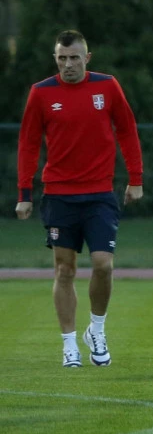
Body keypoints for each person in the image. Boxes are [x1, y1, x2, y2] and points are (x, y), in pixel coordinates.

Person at [16, 30, 144, 368]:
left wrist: (136, 179)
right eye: (62, 58)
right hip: (59, 195)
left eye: (74, 58)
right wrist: (24, 194)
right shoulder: (41, 93)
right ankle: (69, 344)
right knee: (64, 269)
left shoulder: (107, 86)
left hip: (100, 194)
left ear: (87, 58)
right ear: (55, 59)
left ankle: (96, 331)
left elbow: (127, 130)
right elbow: (28, 144)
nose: (68, 64)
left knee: (103, 265)